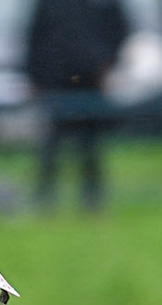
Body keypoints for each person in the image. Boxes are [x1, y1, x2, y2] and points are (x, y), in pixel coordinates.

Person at [24, 0, 129, 212]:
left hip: (91, 78)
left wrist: (108, 65)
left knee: (90, 145)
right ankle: (45, 201)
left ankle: (93, 201)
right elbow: (35, 34)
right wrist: (34, 76)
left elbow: (120, 30)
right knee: (51, 145)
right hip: (55, 79)